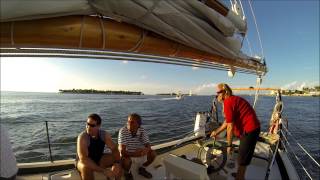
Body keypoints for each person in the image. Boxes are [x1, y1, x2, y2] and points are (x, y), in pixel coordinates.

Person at [210, 83, 260, 180]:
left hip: (250, 131)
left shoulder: (228, 102)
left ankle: (240, 177)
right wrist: (216, 131)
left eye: (218, 93)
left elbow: (230, 127)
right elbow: (227, 121)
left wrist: (229, 145)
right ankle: (240, 175)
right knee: (242, 156)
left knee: (242, 160)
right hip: (249, 130)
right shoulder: (231, 100)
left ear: (224, 92)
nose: (217, 95)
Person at [76, 113, 122, 180]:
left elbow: (114, 149)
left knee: (119, 160)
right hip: (83, 161)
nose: (88, 127)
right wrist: (103, 170)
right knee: (85, 168)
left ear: (98, 126)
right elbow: (83, 158)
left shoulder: (104, 135)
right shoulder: (83, 137)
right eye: (87, 124)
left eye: (92, 125)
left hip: (98, 158)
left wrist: (117, 163)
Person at [118, 113, 156, 179]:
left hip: (139, 153)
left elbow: (148, 146)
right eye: (128, 121)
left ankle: (142, 169)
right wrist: (136, 154)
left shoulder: (142, 131)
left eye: (132, 122)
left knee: (153, 154)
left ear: (138, 125)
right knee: (126, 161)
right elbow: (122, 151)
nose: (129, 123)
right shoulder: (123, 131)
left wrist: (145, 150)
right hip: (128, 154)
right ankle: (128, 173)